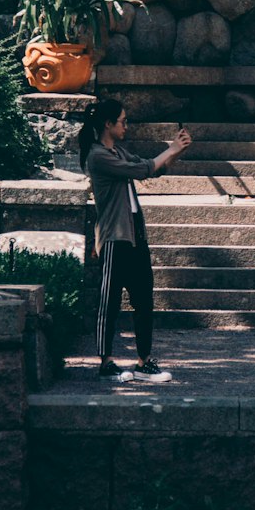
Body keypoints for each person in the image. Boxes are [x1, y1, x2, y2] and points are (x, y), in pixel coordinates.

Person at [78, 97, 191, 379]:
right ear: (108, 124)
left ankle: (144, 361)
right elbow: (143, 169)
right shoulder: (98, 156)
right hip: (115, 238)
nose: (126, 126)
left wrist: (176, 151)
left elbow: (152, 168)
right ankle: (106, 362)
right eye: (122, 121)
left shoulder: (117, 151)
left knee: (144, 300)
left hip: (135, 236)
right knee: (109, 302)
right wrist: (171, 148)